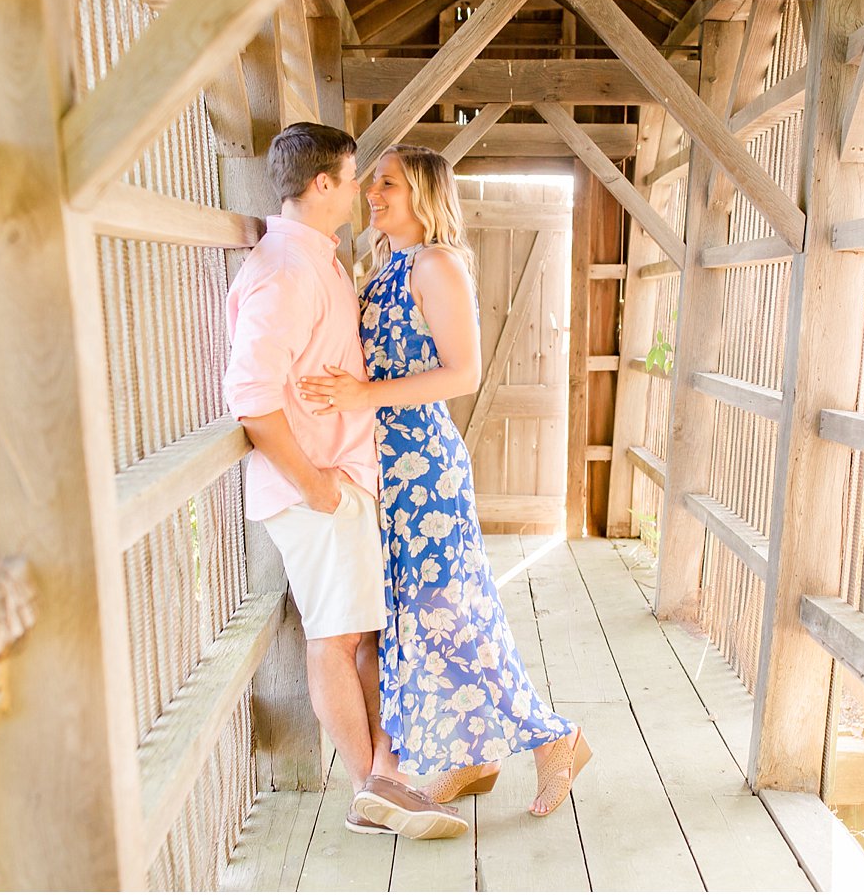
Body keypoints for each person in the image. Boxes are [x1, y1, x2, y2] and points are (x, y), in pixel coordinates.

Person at [298, 144, 592, 819]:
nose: (374, 194)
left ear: (424, 193)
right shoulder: (386, 264)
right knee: (420, 625)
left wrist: (364, 394)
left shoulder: (436, 264)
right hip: (389, 475)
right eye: (373, 184)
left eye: (389, 185)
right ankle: (470, 757)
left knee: (456, 618)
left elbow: (464, 374)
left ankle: (556, 739)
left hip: (426, 473)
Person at [223, 123, 466, 841]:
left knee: (361, 636)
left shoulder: (317, 259)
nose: (364, 191)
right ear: (325, 184)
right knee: (335, 639)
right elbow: (249, 393)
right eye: (358, 177)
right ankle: (373, 792)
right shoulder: (289, 272)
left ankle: (383, 781)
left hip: (340, 479)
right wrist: (314, 484)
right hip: (319, 487)